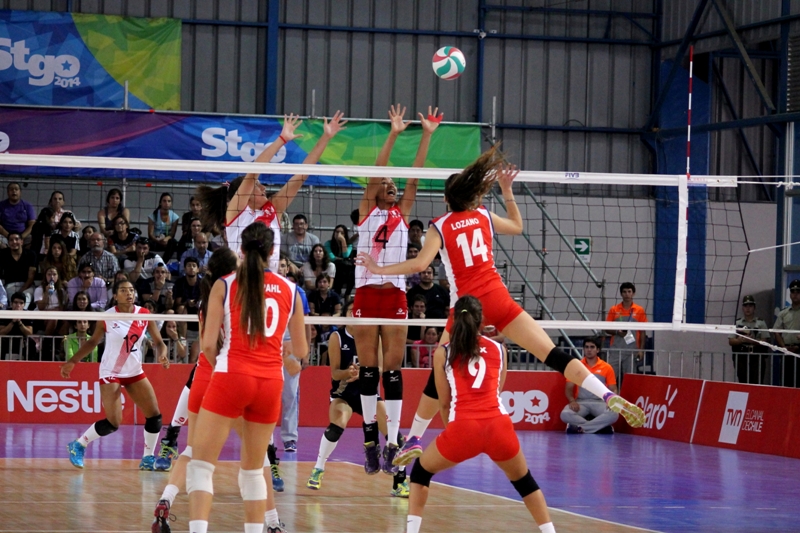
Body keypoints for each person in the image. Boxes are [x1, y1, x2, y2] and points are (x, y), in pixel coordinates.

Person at [358, 147, 645, 467]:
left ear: (446, 199)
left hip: (466, 308)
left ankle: (413, 438)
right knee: (553, 354)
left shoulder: (439, 226)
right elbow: (518, 226)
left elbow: (420, 264)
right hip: (499, 298)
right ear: (471, 197)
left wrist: (380, 269)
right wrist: (508, 190)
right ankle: (606, 395)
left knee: (439, 369)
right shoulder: (482, 215)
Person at [152, 246, 288, 533]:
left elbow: (208, 344)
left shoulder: (209, 297)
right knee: (257, 456)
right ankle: (273, 523)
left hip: (200, 377)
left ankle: (166, 499)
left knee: (192, 451)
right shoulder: (240, 296)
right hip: (229, 380)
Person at [186, 221, 306, 533]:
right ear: (271, 252)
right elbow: (301, 350)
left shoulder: (224, 284)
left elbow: (209, 344)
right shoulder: (292, 290)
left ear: (240, 249)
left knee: (200, 466)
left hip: (232, 373)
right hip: (270, 382)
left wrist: (222, 369)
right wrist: (282, 353)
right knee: (253, 471)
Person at [404, 295, 556, 533]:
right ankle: (550, 531)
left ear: (453, 320)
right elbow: (498, 390)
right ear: (481, 320)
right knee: (525, 483)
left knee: (421, 472)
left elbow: (444, 403)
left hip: (463, 427)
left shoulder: (443, 353)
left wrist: (454, 435)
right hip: (499, 425)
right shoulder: (499, 348)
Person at [352, 104, 441, 474]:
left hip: (395, 295)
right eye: (386, 185)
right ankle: (371, 435)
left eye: (394, 185)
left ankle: (393, 441)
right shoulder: (365, 212)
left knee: (393, 368)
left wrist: (427, 135)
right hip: (365, 293)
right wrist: (393, 133)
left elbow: (414, 177)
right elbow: (376, 173)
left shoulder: (402, 213)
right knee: (368, 369)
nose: (391, 187)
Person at [196, 112, 346, 271]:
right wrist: (281, 140)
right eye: (258, 186)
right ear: (246, 195)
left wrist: (326, 137)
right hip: (243, 278)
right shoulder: (236, 212)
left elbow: (302, 175)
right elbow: (254, 172)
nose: (264, 188)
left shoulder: (273, 208)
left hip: (270, 281)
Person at [61, 279, 169, 470]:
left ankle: (147, 458)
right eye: (123, 290)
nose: (129, 293)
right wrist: (73, 361)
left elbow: (159, 342)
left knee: (155, 416)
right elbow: (93, 342)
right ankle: (79, 444)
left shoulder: (144, 314)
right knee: (113, 422)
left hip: (134, 370)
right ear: (115, 295)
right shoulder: (108, 316)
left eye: (131, 290)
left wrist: (162, 354)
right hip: (111, 371)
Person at [306, 300, 410, 498]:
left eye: (357, 311)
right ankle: (318, 469)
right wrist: (348, 373)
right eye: (351, 311)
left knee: (394, 435)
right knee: (337, 425)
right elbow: (335, 373)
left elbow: (380, 368)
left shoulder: (373, 337)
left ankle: (399, 482)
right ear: (346, 315)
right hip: (344, 394)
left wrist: (365, 372)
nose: (355, 314)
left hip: (368, 394)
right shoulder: (337, 337)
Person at [276, 254, 312, 454]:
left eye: (283, 265)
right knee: (267, 392)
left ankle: (290, 438)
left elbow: (305, 323)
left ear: (287, 268)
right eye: (277, 265)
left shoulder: (297, 292)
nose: (280, 269)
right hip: (270, 341)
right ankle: (263, 439)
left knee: (290, 393)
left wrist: (304, 351)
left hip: (290, 341)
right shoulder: (265, 289)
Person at [560, 337, 619, 434]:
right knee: (565, 414)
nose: (589, 350)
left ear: (598, 350)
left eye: (592, 347)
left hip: (600, 402)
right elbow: (568, 388)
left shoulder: (607, 367)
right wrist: (572, 401)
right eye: (586, 347)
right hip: (581, 403)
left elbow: (613, 388)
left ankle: (582, 428)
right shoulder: (576, 366)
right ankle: (599, 428)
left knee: (614, 414)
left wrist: (611, 401)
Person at [605, 282, 647, 384]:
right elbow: (606, 328)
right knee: (610, 377)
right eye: (624, 292)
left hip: (631, 350)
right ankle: (608, 397)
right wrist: (616, 332)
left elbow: (642, 332)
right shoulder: (614, 309)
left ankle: (628, 399)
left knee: (630, 379)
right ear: (621, 294)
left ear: (633, 293)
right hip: (616, 350)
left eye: (629, 292)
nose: (627, 294)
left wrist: (641, 350)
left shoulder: (639, 310)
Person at [728, 295, 771, 385]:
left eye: (750, 306)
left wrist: (753, 341)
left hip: (756, 356)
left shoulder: (760, 323)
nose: (748, 309)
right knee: (743, 381)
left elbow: (765, 340)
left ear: (754, 308)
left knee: (757, 382)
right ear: (742, 308)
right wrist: (742, 340)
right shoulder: (737, 323)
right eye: (746, 306)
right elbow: (731, 341)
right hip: (741, 356)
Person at [773, 279, 800, 388]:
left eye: (798, 292)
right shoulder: (783, 313)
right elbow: (776, 332)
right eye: (793, 292)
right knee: (786, 383)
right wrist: (784, 348)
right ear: (790, 294)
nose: (795, 295)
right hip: (787, 352)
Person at [174, 257, 201, 362]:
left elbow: (206, 300)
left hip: (198, 310)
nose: (191, 268)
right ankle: (184, 341)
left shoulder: (202, 283)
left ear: (198, 269)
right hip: (184, 310)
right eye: (189, 265)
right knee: (181, 309)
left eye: (194, 266)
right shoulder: (180, 282)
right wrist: (187, 303)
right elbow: (177, 302)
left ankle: (202, 335)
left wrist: (197, 303)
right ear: (185, 268)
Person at [0, 232, 37, 307]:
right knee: (13, 304)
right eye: (11, 240)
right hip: (9, 286)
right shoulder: (3, 254)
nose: (14, 242)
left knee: (23, 303)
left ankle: (21, 317)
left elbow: (31, 278)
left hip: (27, 286)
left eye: (16, 239)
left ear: (22, 242)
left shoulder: (31, 254)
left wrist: (20, 292)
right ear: (8, 242)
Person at [34, 266, 68, 336]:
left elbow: (62, 308)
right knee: (53, 318)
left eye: (54, 274)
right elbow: (41, 307)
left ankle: (59, 341)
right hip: (41, 317)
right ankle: (47, 341)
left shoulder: (61, 291)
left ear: (58, 276)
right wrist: (46, 293)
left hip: (57, 315)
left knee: (67, 321)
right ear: (45, 276)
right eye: (49, 274)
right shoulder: (39, 289)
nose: (52, 277)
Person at [148, 192, 181, 263]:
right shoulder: (153, 215)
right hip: (156, 241)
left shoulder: (175, 217)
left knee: (173, 242)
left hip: (167, 241)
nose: (166, 203)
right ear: (160, 203)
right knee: (146, 243)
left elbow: (172, 234)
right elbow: (150, 234)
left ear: (171, 203)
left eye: (169, 201)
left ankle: (163, 263)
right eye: (164, 201)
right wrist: (158, 241)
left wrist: (166, 239)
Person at [0, 182, 35, 247]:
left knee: (35, 239)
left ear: (20, 192)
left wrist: (21, 237)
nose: (14, 191)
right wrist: (9, 236)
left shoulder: (27, 205)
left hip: (23, 236)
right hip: (5, 236)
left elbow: (32, 224)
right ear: (8, 193)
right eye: (11, 189)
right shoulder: (1, 205)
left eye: (16, 189)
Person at [0, 292, 34, 360]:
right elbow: (1, 332)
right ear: (11, 304)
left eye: (21, 303)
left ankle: (30, 367)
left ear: (24, 305)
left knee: (31, 343)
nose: (18, 305)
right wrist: (12, 322)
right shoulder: (4, 313)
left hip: (22, 341)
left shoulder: (27, 314)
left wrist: (19, 322)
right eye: (15, 302)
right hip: (6, 341)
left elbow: (29, 333)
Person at [325, 224, 355, 298]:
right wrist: (342, 259)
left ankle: (347, 294)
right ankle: (337, 293)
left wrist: (343, 241)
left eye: (342, 233)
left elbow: (346, 255)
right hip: (335, 269)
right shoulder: (328, 243)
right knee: (338, 266)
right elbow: (332, 257)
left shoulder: (349, 245)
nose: (339, 234)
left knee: (353, 271)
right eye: (337, 232)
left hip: (346, 271)